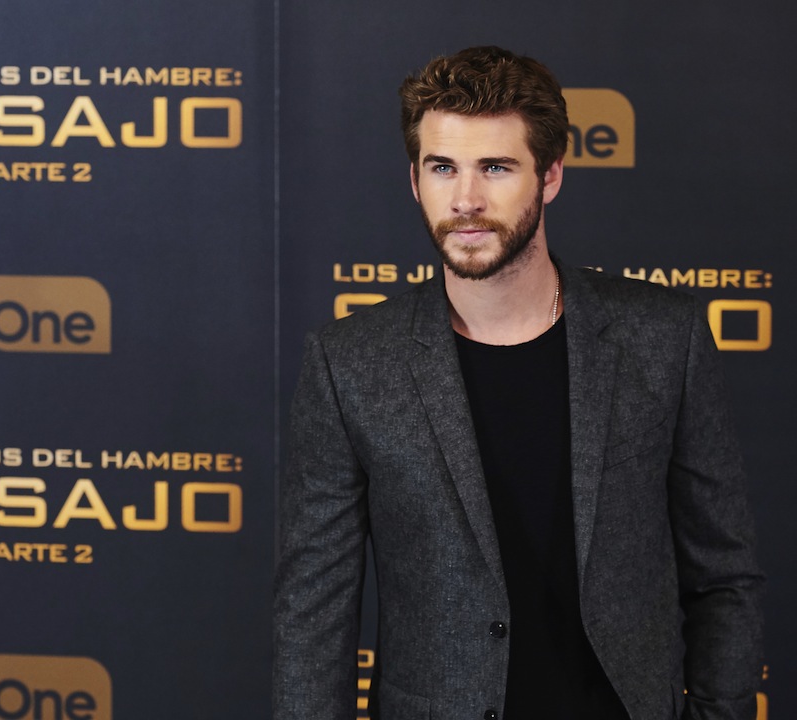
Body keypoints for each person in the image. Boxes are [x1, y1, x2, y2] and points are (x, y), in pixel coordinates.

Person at [272, 46, 764, 720]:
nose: (466, 200)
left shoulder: (662, 339)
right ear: (415, 180)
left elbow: (724, 576)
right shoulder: (349, 363)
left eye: (496, 167)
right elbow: (313, 614)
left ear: (550, 174)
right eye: (443, 168)